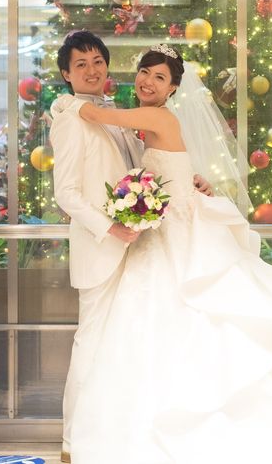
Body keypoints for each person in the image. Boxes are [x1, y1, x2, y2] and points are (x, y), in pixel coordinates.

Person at [54, 44, 272, 464]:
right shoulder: (147, 120)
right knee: (153, 327)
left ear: (172, 89)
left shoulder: (153, 117)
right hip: (149, 235)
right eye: (145, 72)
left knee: (179, 320)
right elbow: (148, 171)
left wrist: (65, 103)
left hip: (173, 237)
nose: (148, 81)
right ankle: (94, 435)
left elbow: (95, 115)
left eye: (160, 77)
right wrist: (190, 180)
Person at [49, 32, 212, 463]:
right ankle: (71, 445)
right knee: (91, 346)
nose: (92, 70)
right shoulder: (71, 118)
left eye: (97, 61)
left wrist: (187, 181)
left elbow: (147, 170)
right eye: (80, 64)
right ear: (66, 74)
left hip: (141, 249)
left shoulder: (124, 115)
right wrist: (111, 228)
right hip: (104, 248)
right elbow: (66, 193)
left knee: (127, 347)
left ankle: (116, 438)